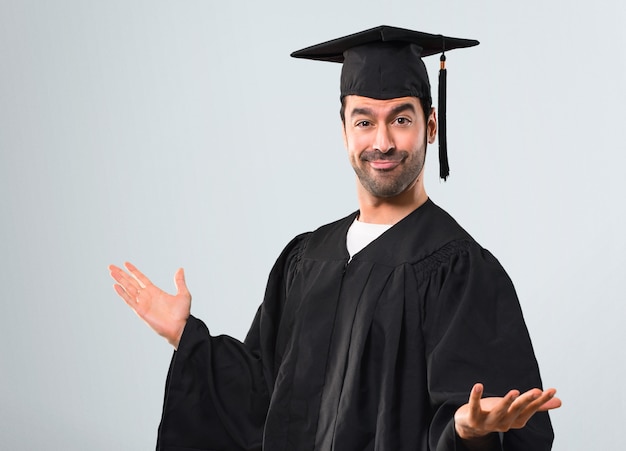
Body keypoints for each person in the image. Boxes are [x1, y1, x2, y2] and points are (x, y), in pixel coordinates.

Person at [109, 25, 561, 451]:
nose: (381, 142)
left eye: (401, 119)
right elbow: (261, 395)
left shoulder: (459, 271)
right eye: (364, 121)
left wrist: (467, 433)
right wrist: (186, 338)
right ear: (343, 129)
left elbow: (495, 416)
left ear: (431, 126)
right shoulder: (306, 259)